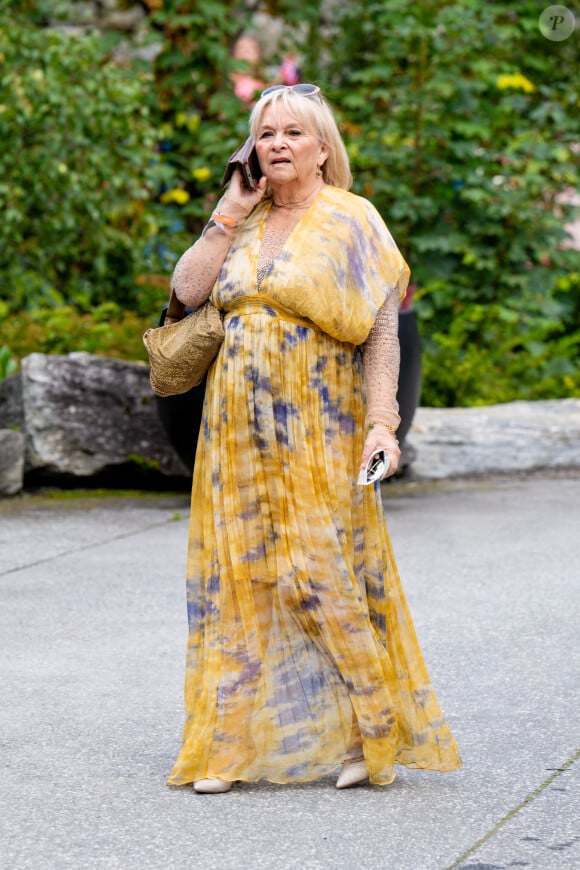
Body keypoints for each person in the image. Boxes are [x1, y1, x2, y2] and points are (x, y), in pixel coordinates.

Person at [167, 83, 462, 793]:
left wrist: (382, 424)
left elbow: (384, 335)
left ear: (323, 149)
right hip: (234, 434)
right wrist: (228, 210)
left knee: (321, 580)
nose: (276, 144)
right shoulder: (241, 219)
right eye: (265, 133)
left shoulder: (353, 220)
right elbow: (186, 294)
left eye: (293, 133)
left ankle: (374, 727)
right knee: (238, 580)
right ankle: (230, 743)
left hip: (319, 431)